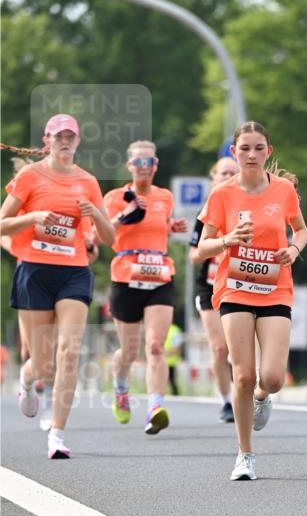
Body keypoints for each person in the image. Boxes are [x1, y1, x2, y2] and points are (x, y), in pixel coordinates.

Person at [197, 121, 307, 481]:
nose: (251, 155)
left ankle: (264, 394)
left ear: (268, 152)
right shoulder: (222, 194)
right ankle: (245, 455)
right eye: (244, 148)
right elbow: (202, 249)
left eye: (258, 148)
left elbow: (302, 229)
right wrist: (228, 240)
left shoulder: (284, 191)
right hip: (234, 288)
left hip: (275, 288)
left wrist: (293, 248)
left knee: (272, 377)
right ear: (234, 152)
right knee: (242, 375)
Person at [0, 114, 115, 457]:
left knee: (68, 353)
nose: (65, 141)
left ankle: (58, 435)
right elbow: (2, 224)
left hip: (74, 272)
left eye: (71, 136)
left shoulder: (88, 182)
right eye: (58, 136)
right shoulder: (30, 177)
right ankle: (26, 381)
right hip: (35, 271)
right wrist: (33, 218)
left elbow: (110, 238)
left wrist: (95, 213)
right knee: (43, 363)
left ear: (78, 142)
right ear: (46, 140)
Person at [102, 140, 187, 433]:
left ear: (156, 165)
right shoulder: (115, 197)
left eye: (148, 162)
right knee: (129, 350)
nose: (143, 168)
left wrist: (170, 228)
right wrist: (124, 214)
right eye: (138, 162)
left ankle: (155, 407)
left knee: (155, 346)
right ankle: (121, 389)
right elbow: (101, 234)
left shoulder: (164, 197)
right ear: (129, 166)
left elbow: (156, 226)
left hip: (159, 276)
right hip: (126, 276)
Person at [189, 156, 240, 422]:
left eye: (233, 173)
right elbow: (193, 255)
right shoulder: (207, 212)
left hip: (240, 285)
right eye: (223, 173)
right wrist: (221, 244)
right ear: (214, 177)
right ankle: (226, 402)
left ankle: (245, 391)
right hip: (209, 288)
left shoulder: (246, 208)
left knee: (238, 347)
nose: (228, 177)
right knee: (220, 349)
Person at [165, 321, 183, 394]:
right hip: (161, 362)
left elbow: (177, 347)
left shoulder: (175, 330)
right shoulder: (159, 328)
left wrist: (165, 353)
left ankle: (175, 397)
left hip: (170, 362)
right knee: (161, 382)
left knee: (172, 382)